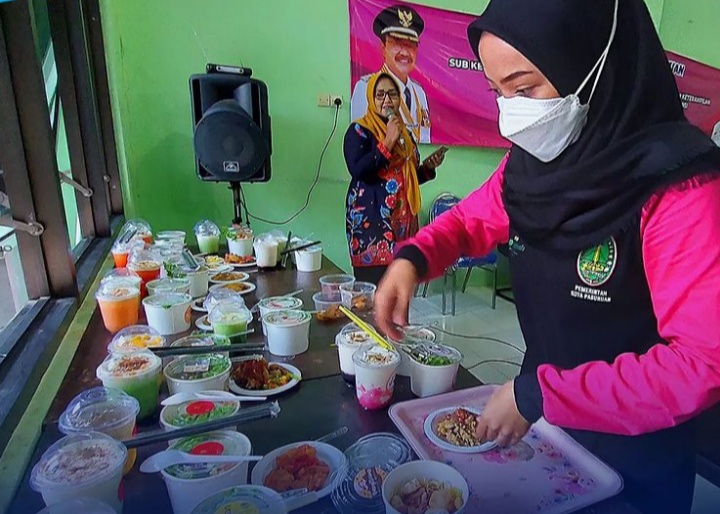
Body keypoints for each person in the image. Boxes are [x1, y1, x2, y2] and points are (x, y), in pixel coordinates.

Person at [374, 0, 720, 513]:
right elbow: (471, 219)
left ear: (592, 66)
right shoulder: (532, 167)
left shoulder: (681, 187)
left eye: (526, 88)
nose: (511, 113)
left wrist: (541, 395)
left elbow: (700, 364)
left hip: (634, 458)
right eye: (498, 92)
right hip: (546, 433)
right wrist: (414, 258)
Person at [344, 73, 444, 285]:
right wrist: (387, 142)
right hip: (372, 229)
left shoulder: (404, 134)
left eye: (392, 94)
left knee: (400, 294)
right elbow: (360, 172)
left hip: (404, 227)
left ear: (400, 98)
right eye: (380, 95)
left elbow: (403, 178)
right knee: (372, 298)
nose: (387, 100)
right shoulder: (359, 131)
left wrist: (426, 167)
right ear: (371, 98)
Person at [351, 5, 432, 144]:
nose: (405, 53)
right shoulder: (366, 88)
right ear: (383, 48)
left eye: (410, 45)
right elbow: (360, 141)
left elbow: (423, 137)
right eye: (397, 43)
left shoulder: (419, 93)